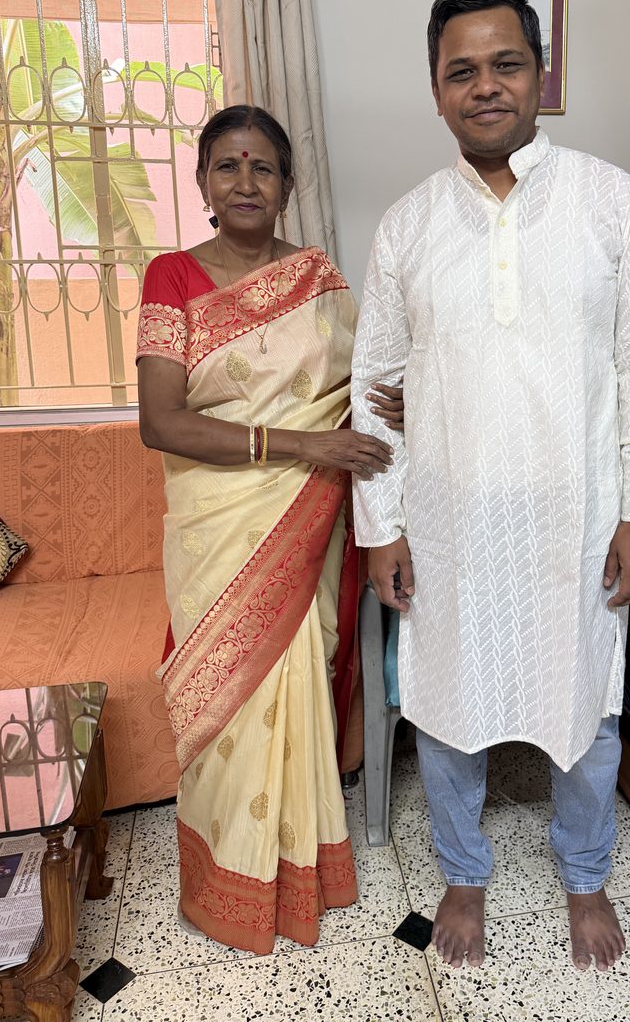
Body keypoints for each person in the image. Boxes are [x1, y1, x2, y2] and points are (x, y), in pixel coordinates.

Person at [351, 0, 630, 973]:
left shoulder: (610, 201)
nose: (485, 86)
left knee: (586, 711)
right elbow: (374, 391)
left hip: (575, 524)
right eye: (463, 70)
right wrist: (382, 526)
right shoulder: (407, 227)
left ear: (541, 76)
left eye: (506, 64)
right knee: (448, 712)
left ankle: (584, 875)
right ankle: (464, 872)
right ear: (436, 90)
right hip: (449, 525)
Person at [136, 104, 402, 954]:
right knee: (232, 690)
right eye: (227, 166)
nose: (245, 181)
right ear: (204, 183)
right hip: (221, 523)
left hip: (310, 515)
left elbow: (361, 383)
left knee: (301, 672)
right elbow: (162, 422)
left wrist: (397, 399)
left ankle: (298, 871)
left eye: (263, 168)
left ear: (288, 186)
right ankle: (229, 877)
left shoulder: (319, 278)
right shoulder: (170, 278)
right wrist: (298, 442)